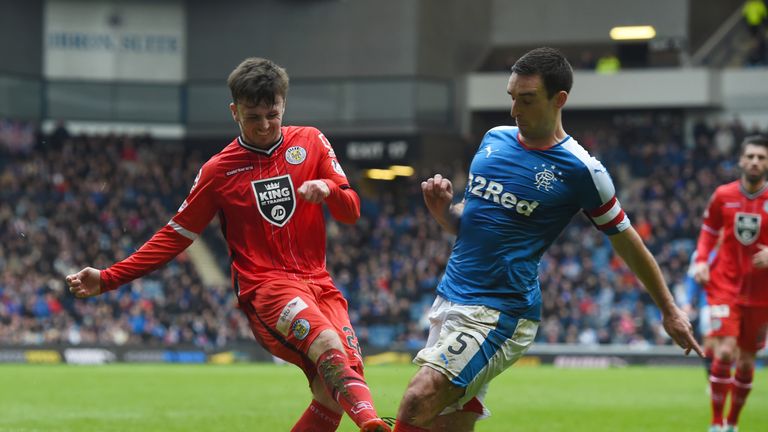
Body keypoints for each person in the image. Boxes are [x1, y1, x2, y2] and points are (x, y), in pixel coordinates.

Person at [65, 57, 391, 432]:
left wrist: (329, 188)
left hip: (320, 283)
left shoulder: (311, 141)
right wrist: (108, 277)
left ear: (283, 103)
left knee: (331, 388)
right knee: (329, 345)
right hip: (267, 288)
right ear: (234, 112)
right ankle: (373, 426)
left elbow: (351, 211)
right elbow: (174, 236)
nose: (266, 125)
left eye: (273, 113)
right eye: (254, 117)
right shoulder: (218, 171)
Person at [391, 47, 702, 432]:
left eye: (526, 100)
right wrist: (442, 213)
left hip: (501, 312)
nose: (514, 111)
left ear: (559, 100)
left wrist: (669, 309)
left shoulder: (582, 170)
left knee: (417, 399)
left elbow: (626, 240)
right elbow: (471, 226)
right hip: (451, 298)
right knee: (445, 424)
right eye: (511, 98)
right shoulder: (493, 141)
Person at [693, 135, 768, 432]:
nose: (755, 162)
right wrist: (700, 260)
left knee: (747, 362)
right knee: (724, 351)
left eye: (761, 157)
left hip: (761, 294)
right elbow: (708, 230)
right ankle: (715, 423)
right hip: (724, 284)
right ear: (740, 160)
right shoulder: (723, 195)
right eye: (750, 156)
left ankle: (733, 423)